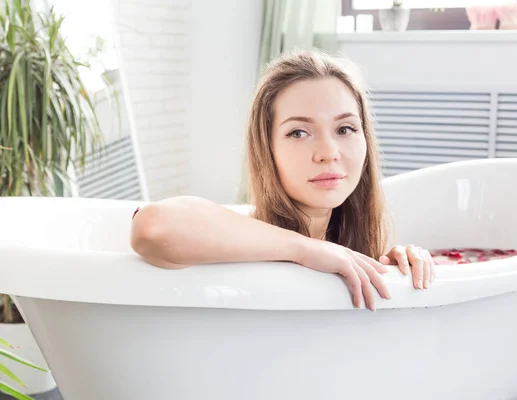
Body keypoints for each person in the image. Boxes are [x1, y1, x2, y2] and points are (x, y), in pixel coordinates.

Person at [130, 49, 435, 311]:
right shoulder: (233, 244)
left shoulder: (361, 242)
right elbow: (153, 226)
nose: (328, 153)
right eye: (298, 133)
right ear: (267, 149)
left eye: (344, 129)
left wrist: (402, 268)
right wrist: (305, 249)